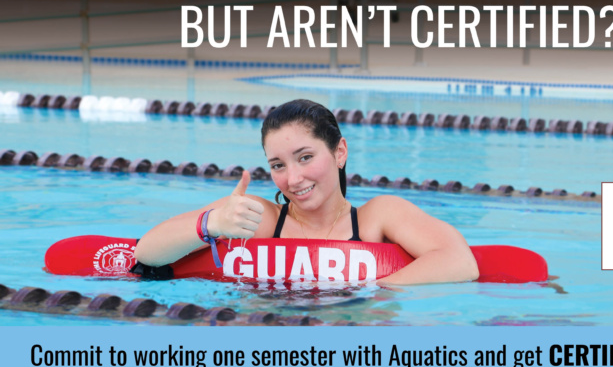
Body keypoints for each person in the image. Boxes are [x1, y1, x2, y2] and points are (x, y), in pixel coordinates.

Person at [134, 99, 479, 285]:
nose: (293, 178)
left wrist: (373, 292)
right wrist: (212, 223)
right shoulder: (262, 218)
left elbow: (459, 260)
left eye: (305, 158)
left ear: (339, 152)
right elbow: (147, 253)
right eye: (278, 165)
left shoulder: (378, 218)